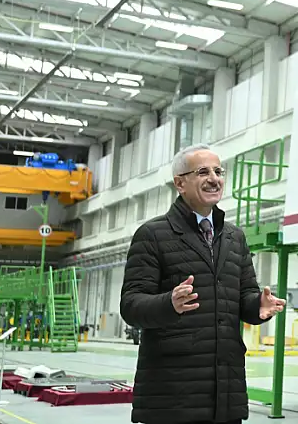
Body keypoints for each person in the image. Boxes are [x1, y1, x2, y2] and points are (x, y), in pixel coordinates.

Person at [120, 143, 286, 424]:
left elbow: (244, 295)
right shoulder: (153, 235)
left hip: (226, 390)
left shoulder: (235, 237)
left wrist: (257, 305)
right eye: (203, 172)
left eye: (219, 171)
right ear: (180, 183)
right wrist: (168, 302)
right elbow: (131, 305)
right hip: (173, 395)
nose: (214, 178)